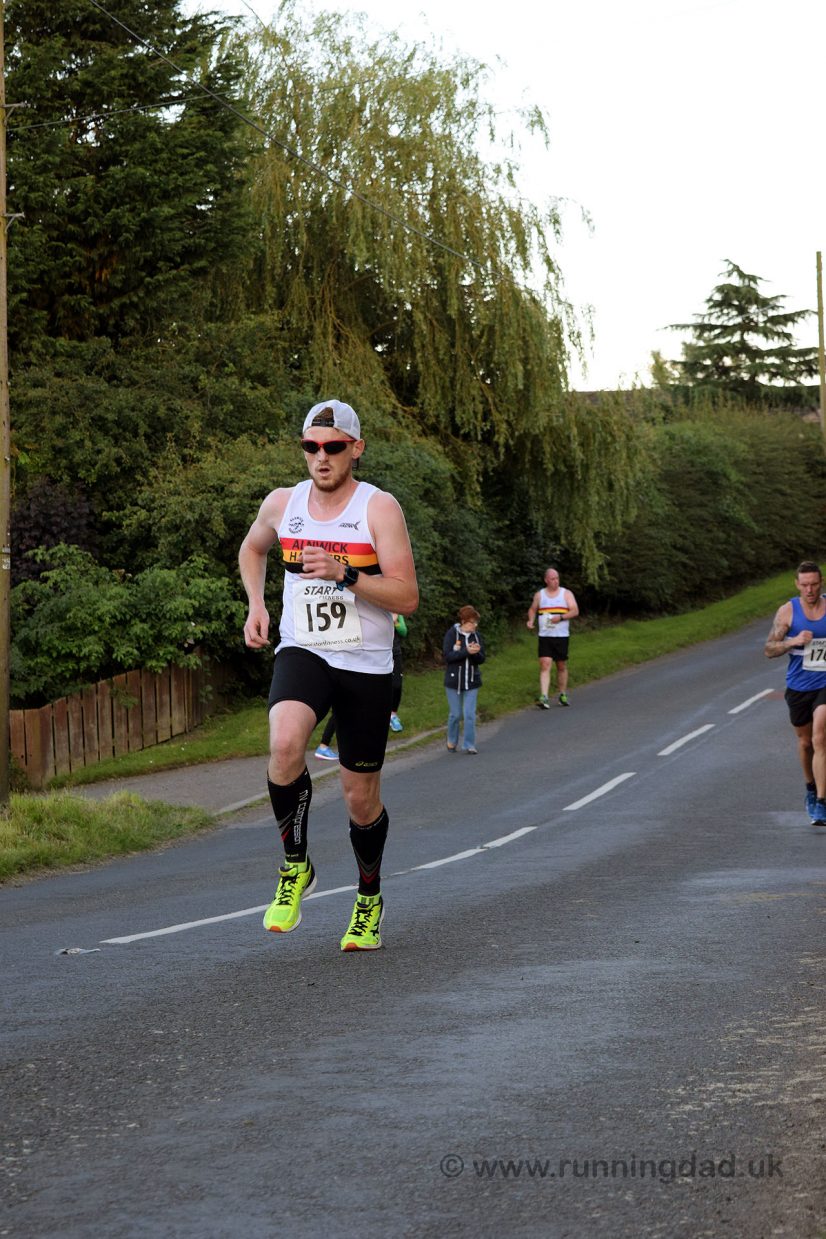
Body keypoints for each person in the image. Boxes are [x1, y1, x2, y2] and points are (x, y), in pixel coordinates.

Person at [239, 399, 419, 950]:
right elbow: (252, 548)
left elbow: (407, 597)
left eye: (334, 447)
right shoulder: (282, 503)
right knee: (285, 741)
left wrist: (346, 575)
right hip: (305, 649)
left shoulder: (378, 509)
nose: (321, 456)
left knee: (359, 798)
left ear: (355, 449)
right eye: (311, 446)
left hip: (365, 662)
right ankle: (296, 866)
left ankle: (368, 898)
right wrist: (255, 603)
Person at [764, 560, 826, 826]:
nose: (809, 590)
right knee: (805, 743)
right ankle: (811, 788)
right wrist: (794, 641)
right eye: (805, 585)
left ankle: (822, 803)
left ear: (821, 583)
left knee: (821, 737)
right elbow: (769, 649)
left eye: (814, 584)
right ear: (797, 585)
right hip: (799, 685)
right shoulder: (788, 611)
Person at [527, 567, 579, 708]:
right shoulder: (540, 595)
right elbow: (532, 609)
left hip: (561, 636)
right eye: (552, 579)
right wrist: (531, 620)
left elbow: (575, 610)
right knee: (545, 664)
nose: (555, 581)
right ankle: (544, 697)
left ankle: (562, 694)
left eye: (557, 578)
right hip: (545, 636)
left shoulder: (566, 594)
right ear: (546, 580)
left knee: (561, 665)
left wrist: (561, 617)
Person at [443, 605, 486, 753]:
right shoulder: (452, 634)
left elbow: (482, 659)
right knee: (455, 714)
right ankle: (451, 740)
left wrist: (476, 653)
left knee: (469, 714)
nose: (475, 625)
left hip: (472, 681)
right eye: (472, 622)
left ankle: (469, 744)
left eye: (476, 623)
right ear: (463, 621)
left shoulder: (476, 636)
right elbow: (448, 657)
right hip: (453, 681)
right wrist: (466, 651)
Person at [389, 612, 407, 732]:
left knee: (397, 685)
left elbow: (404, 632)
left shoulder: (397, 612)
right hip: (380, 654)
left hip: (395, 653)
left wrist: (395, 622)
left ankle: (393, 715)